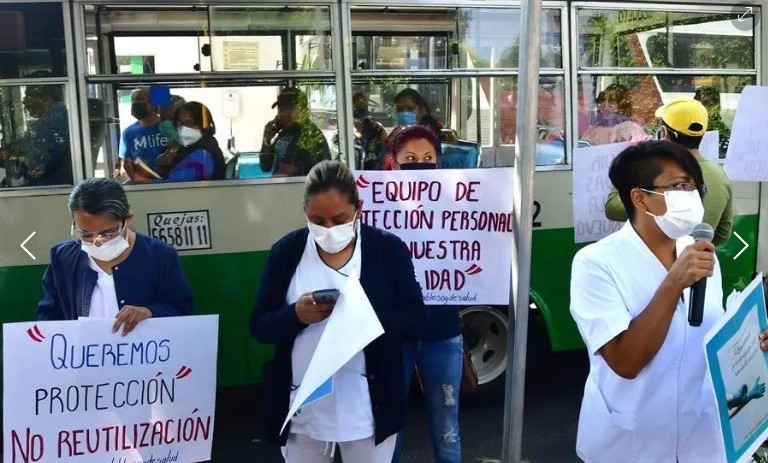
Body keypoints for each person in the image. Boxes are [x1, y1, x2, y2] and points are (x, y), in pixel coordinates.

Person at [570, 140, 768, 462]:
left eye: (695, 188)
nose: (691, 197)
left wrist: (752, 341)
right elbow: (625, 362)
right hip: (632, 442)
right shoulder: (595, 263)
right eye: (679, 187)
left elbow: (710, 340)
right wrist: (674, 282)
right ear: (640, 198)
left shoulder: (701, 252)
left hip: (702, 438)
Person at [250, 160, 427, 462]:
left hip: (367, 411)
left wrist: (365, 321)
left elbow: (416, 320)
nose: (328, 229)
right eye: (317, 220)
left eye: (339, 219)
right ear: (304, 212)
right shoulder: (287, 251)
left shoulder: (387, 249)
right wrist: (295, 315)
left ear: (358, 208)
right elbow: (260, 325)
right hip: (303, 411)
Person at [387, 125, 463, 463]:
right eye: (411, 159)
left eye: (429, 158)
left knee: (446, 423)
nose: (421, 165)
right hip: (393, 336)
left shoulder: (460, 206)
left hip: (442, 332)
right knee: (389, 425)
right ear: (393, 163)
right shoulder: (374, 207)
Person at [37, 178, 193, 334]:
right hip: (84, 355)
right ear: (74, 223)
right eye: (85, 234)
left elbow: (181, 309)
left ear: (127, 220)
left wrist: (150, 312)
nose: (96, 242)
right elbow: (49, 316)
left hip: (141, 354)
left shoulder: (160, 256)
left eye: (107, 233)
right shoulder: (63, 259)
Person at [605, 98, 733, 246]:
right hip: (698, 260)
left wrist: (633, 159)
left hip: (654, 259)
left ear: (664, 133)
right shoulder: (720, 175)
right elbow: (722, 234)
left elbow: (613, 209)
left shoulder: (656, 171)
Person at [0, 72, 71, 187]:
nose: (24, 102)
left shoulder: (55, 122)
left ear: (47, 99)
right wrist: (7, 152)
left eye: (29, 96)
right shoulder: (52, 119)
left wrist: (7, 154)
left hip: (50, 187)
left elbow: (34, 158)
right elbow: (23, 146)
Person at [259, 87, 331, 177]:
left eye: (290, 108)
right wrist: (266, 140)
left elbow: (286, 172)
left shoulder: (308, 135)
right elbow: (265, 166)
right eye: (281, 109)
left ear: (304, 111)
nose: (284, 113)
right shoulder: (284, 133)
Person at [154, 101, 226, 182]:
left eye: (189, 123)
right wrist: (165, 165)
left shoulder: (203, 154)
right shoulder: (189, 149)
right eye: (180, 123)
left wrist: (145, 181)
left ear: (204, 126)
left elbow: (172, 185)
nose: (183, 128)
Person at [117, 87, 168, 182]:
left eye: (140, 100)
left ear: (153, 104)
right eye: (133, 101)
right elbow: (124, 165)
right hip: (142, 185)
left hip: (171, 184)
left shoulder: (168, 127)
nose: (135, 104)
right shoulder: (128, 133)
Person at [580, 83, 649, 146]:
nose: (606, 107)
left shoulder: (631, 127)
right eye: (602, 103)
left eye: (611, 104)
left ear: (621, 106)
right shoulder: (594, 128)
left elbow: (641, 149)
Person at [694, 86, 731, 157]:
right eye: (696, 105)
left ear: (716, 106)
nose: (699, 108)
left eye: (706, 104)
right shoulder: (692, 130)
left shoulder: (723, 134)